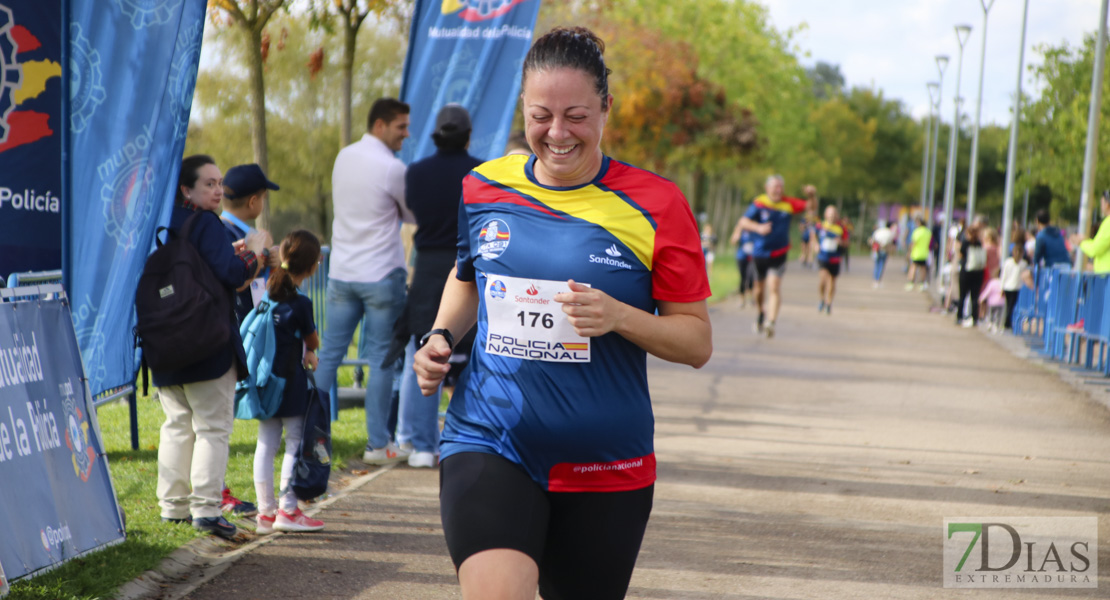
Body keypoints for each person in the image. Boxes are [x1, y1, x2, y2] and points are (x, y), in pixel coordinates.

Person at [413, 27, 712, 600]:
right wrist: (440, 335)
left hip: (604, 459)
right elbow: (468, 278)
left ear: (606, 108)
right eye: (539, 115)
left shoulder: (657, 204)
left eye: (576, 115)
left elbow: (695, 342)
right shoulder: (482, 187)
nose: (556, 133)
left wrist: (618, 315)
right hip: (489, 435)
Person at [155, 155, 265, 539]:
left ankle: (172, 507)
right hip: (207, 343)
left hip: (165, 341)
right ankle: (206, 509)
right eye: (208, 184)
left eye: (220, 183)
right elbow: (235, 275)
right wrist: (253, 249)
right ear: (187, 189)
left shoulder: (162, 222)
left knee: (177, 426)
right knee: (213, 428)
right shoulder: (207, 224)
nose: (218, 190)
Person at [317, 98, 415, 466]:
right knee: (381, 362)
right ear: (380, 125)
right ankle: (378, 444)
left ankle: (305, 432)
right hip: (381, 276)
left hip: (342, 271)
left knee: (328, 356)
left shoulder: (344, 157)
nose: (406, 134)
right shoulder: (392, 168)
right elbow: (410, 214)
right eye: (401, 127)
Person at [391, 104, 483, 469]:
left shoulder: (416, 172)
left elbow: (413, 209)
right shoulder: (480, 173)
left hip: (427, 267)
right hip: (468, 266)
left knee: (426, 350)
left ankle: (423, 446)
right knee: (478, 354)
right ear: (468, 137)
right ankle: (473, 440)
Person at [253, 230, 326, 534]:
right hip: (292, 383)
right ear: (312, 266)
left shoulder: (267, 294)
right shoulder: (301, 303)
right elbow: (314, 340)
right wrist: (310, 350)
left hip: (266, 381)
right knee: (294, 444)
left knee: (265, 444)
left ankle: (265, 513)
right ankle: (289, 510)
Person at [736, 176, 809, 338]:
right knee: (758, 289)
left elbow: (811, 207)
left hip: (780, 252)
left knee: (774, 286)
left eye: (780, 187)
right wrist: (758, 227)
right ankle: (761, 312)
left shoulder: (788, 203)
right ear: (767, 188)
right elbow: (743, 221)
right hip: (760, 253)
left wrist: (812, 195)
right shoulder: (759, 203)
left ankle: (771, 322)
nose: (778, 190)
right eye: (775, 187)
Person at [221, 163, 280, 322]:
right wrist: (261, 252)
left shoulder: (242, 232)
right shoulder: (225, 233)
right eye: (263, 197)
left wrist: (272, 260)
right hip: (239, 323)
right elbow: (238, 281)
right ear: (253, 201)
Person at [815, 205, 845, 314]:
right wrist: (815, 245)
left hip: (835, 258)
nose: (832, 216)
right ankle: (822, 298)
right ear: (826, 215)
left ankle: (829, 302)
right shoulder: (820, 226)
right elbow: (814, 236)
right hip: (823, 256)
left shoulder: (841, 228)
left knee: (832, 281)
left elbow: (846, 242)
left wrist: (840, 242)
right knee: (823, 279)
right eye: (830, 214)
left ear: (837, 215)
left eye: (834, 214)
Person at [957, 224, 987, 327]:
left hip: (966, 272)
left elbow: (961, 255)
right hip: (978, 273)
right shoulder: (979, 243)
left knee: (962, 296)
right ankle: (975, 318)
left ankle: (959, 317)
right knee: (974, 297)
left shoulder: (966, 243)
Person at [1073, 191, 1110, 274]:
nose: (1101, 206)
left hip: (1106, 276)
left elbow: (1095, 249)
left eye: (1102, 203)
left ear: (1107, 204)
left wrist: (1081, 242)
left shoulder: (1108, 223)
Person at [1000, 244, 1027, 330]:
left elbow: (1004, 276)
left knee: (1010, 306)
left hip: (1012, 287)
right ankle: (1007, 323)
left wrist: (1002, 287)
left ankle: (1007, 322)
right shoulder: (1014, 263)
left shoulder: (1020, 263)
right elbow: (1004, 275)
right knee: (1011, 306)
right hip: (1012, 287)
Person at [729, 225, 755, 308]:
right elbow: (733, 242)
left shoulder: (754, 231)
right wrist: (737, 232)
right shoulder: (741, 232)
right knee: (743, 278)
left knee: (751, 277)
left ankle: (751, 298)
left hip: (752, 258)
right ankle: (742, 300)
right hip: (741, 257)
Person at [905, 216, 931, 291]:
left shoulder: (917, 231)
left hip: (916, 253)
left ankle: (911, 282)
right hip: (925, 253)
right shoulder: (927, 232)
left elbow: (914, 242)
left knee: (913, 267)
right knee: (923, 269)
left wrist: (909, 252)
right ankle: (922, 283)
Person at [869, 219, 894, 287]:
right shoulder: (889, 232)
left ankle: (875, 280)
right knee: (881, 265)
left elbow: (872, 240)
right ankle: (878, 280)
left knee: (876, 265)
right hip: (884, 250)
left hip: (876, 250)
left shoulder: (878, 231)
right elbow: (891, 242)